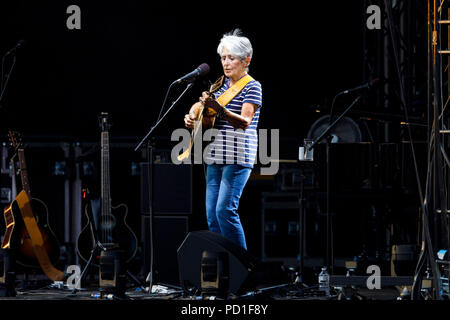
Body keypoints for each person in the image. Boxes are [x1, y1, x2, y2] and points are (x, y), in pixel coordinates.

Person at [184, 29, 262, 250]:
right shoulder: (219, 86)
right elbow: (200, 107)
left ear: (246, 60)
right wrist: (191, 117)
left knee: (224, 210)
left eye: (232, 58)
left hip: (238, 156)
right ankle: (223, 268)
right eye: (223, 58)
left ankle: (243, 268)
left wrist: (220, 110)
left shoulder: (252, 86)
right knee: (212, 216)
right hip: (215, 155)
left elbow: (245, 121)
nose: (226, 63)